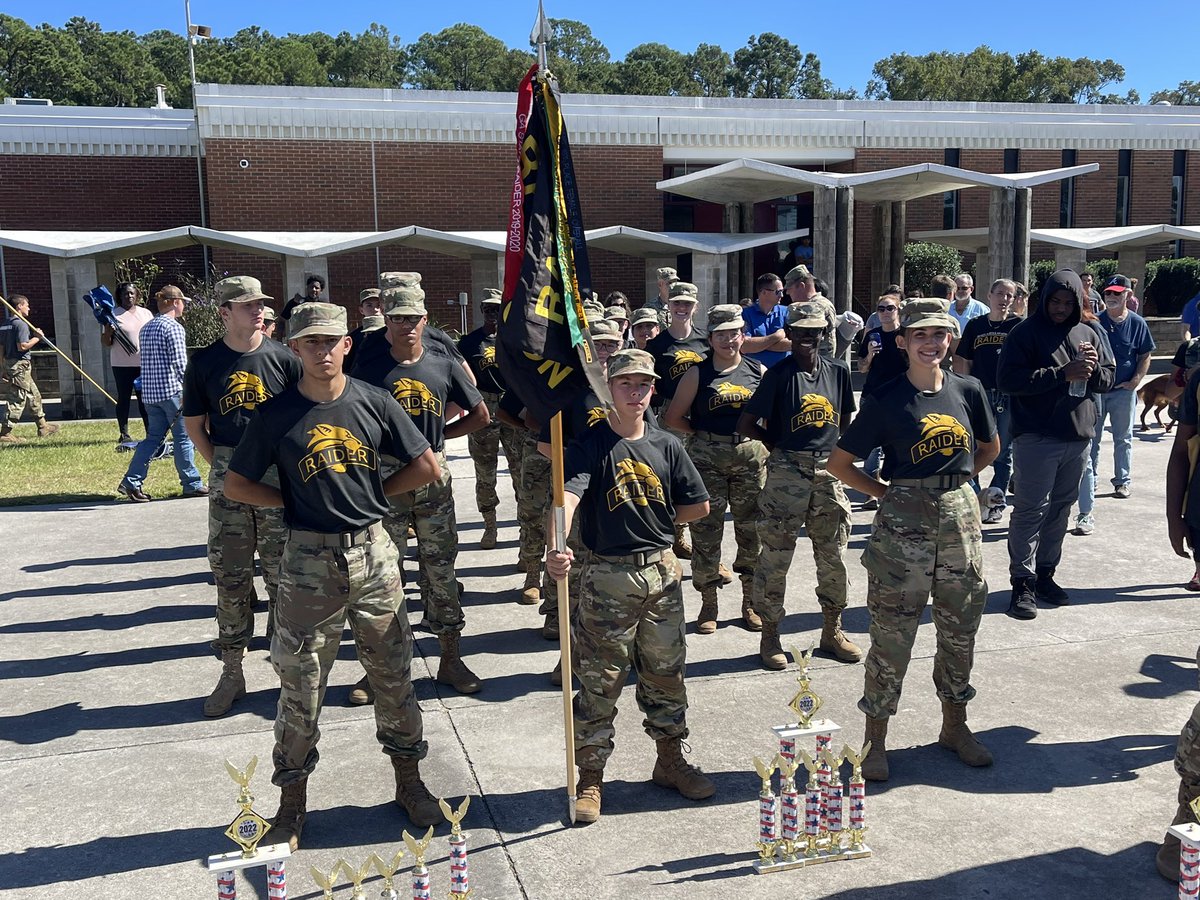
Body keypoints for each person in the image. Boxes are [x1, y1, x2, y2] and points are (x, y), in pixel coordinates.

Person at [222, 301, 445, 848]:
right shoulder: (276, 414)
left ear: (347, 344)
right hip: (306, 563)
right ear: (294, 348)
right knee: (300, 684)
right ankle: (291, 803)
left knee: (393, 675)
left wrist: (374, 498)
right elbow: (236, 484)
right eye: (311, 342)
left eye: (332, 341)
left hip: (373, 555)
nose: (323, 351)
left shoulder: (374, 401)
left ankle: (410, 781)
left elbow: (426, 466)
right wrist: (293, 503)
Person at [827, 298, 999, 782]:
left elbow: (989, 448)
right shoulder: (886, 398)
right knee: (891, 636)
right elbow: (839, 464)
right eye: (920, 334)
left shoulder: (968, 390)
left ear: (951, 340)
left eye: (940, 334)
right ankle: (875, 739)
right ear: (902, 342)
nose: (931, 343)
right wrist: (888, 493)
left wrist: (956, 485)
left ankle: (955, 726)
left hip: (960, 524)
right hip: (903, 529)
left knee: (960, 630)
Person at [545, 348, 713, 824]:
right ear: (609, 389)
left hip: (661, 575)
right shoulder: (591, 444)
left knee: (666, 674)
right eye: (625, 384)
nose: (635, 392)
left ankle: (670, 760)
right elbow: (567, 499)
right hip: (608, 578)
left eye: (643, 384)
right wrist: (557, 545)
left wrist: (656, 525)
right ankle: (591, 776)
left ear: (653, 390)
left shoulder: (667, 445)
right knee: (600, 680)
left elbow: (697, 505)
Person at [354, 275, 490, 695]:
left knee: (441, 568)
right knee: (384, 574)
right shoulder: (368, 366)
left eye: (412, 318)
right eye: (397, 318)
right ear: (386, 320)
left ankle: (451, 657)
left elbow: (480, 414)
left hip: (433, 478)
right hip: (387, 478)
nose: (406, 325)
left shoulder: (442, 363)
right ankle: (383, 668)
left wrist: (439, 439)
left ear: (425, 319)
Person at [182, 275, 303, 718]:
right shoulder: (205, 362)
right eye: (247, 304)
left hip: (275, 474)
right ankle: (232, 671)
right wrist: (223, 465)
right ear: (224, 312)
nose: (258, 310)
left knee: (282, 576)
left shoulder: (284, 359)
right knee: (230, 576)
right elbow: (194, 424)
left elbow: (301, 418)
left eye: (260, 304)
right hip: (228, 471)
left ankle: (288, 673)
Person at [738, 302, 861, 669]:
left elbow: (845, 418)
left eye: (815, 331)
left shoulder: (838, 371)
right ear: (789, 333)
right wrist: (776, 446)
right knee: (775, 556)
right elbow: (746, 423)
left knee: (833, 554)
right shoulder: (778, 375)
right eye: (801, 331)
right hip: (786, 473)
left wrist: (833, 454)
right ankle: (770, 634)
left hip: (828, 471)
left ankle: (832, 629)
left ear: (824, 334)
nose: (808, 337)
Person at [995, 269, 1115, 619]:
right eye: (1055, 301)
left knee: (1061, 510)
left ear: (1078, 303)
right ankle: (1022, 582)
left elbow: (1108, 379)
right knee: (1030, 510)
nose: (1061, 308)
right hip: (1037, 437)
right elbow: (1008, 380)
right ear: (1044, 299)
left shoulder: (1089, 332)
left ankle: (1045, 575)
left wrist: (1092, 369)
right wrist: (1061, 374)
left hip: (1077, 437)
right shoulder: (1024, 333)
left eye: (1068, 303)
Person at [666, 304, 767, 634]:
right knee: (706, 531)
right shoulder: (697, 373)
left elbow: (771, 417)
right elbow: (673, 418)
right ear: (710, 339)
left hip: (750, 459)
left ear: (743, 336)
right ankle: (708, 602)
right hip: (707, 459)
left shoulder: (758, 370)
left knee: (752, 531)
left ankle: (750, 602)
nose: (728, 340)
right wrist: (703, 435)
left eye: (734, 333)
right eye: (720, 335)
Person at [1074, 274, 1154, 533]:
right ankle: (1092, 480)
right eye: (1108, 292)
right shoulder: (1096, 322)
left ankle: (1122, 480)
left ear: (1128, 296)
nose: (1111, 297)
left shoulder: (1138, 323)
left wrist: (1136, 380)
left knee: (1123, 437)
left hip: (1123, 391)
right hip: (1099, 391)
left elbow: (1145, 354)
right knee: (1093, 438)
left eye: (1117, 293)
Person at [117, 286, 206, 501]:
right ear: (175, 302)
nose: (184, 306)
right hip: (173, 392)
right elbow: (180, 363)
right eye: (182, 302)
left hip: (150, 394)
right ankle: (191, 483)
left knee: (153, 439)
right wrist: (192, 389)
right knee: (184, 438)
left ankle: (131, 481)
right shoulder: (174, 328)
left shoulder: (147, 327)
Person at [646, 281, 708, 560]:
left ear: (696, 307)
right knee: (670, 476)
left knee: (700, 477)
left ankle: (694, 541)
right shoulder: (657, 345)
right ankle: (672, 535)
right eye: (676, 303)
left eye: (687, 303)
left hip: (701, 413)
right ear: (668, 306)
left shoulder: (706, 341)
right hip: (669, 416)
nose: (681, 308)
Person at [457, 288, 522, 549]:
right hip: (483, 408)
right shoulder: (469, 343)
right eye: (488, 309)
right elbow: (461, 378)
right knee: (485, 472)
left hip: (512, 407)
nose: (493, 314)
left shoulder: (515, 340)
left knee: (520, 470)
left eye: (497, 308)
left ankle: (525, 528)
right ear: (482, 310)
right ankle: (490, 526)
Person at [953, 279, 1022, 524]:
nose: (1004, 299)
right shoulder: (976, 325)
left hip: (1007, 395)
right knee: (973, 449)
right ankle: (975, 499)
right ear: (989, 295)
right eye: (1000, 294)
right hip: (980, 394)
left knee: (1002, 451)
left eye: (1009, 295)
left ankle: (996, 503)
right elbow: (965, 361)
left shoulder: (1018, 326)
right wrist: (965, 391)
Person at [855, 293, 907, 501]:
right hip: (873, 395)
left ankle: (897, 486)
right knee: (872, 446)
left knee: (897, 444)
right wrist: (869, 355)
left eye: (890, 308)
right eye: (881, 309)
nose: (885, 312)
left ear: (898, 310)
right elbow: (861, 368)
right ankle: (871, 492)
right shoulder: (872, 335)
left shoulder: (905, 335)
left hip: (899, 397)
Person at [0, 294, 59, 443]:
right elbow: (22, 346)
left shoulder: (5, 324)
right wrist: (37, 337)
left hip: (11, 364)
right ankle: (5, 432)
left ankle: (43, 427)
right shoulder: (21, 324)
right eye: (27, 305)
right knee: (17, 398)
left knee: (34, 395)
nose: (29, 308)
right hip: (20, 366)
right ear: (19, 306)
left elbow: (1, 348)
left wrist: (3, 367)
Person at [103, 282, 153, 447]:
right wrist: (108, 332)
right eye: (125, 294)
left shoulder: (146, 314)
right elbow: (106, 342)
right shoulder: (112, 315)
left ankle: (150, 432)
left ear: (137, 295)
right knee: (123, 398)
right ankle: (124, 433)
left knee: (145, 400)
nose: (129, 296)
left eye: (132, 293)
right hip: (121, 365)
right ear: (119, 296)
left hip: (143, 364)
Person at [782, 265, 838, 358]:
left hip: (818, 360)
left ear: (801, 286)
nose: (787, 293)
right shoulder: (813, 304)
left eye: (790, 289)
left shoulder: (817, 306)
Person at [740, 273, 791, 368]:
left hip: (784, 370)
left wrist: (758, 344)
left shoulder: (787, 312)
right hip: (756, 372)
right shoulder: (745, 314)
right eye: (778, 292)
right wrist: (777, 336)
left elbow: (792, 344)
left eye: (782, 291)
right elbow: (744, 346)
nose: (782, 295)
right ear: (764, 292)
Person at [344, 288, 384, 374]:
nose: (375, 309)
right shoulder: (354, 338)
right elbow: (348, 368)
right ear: (361, 310)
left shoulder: (393, 333)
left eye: (379, 305)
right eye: (369, 305)